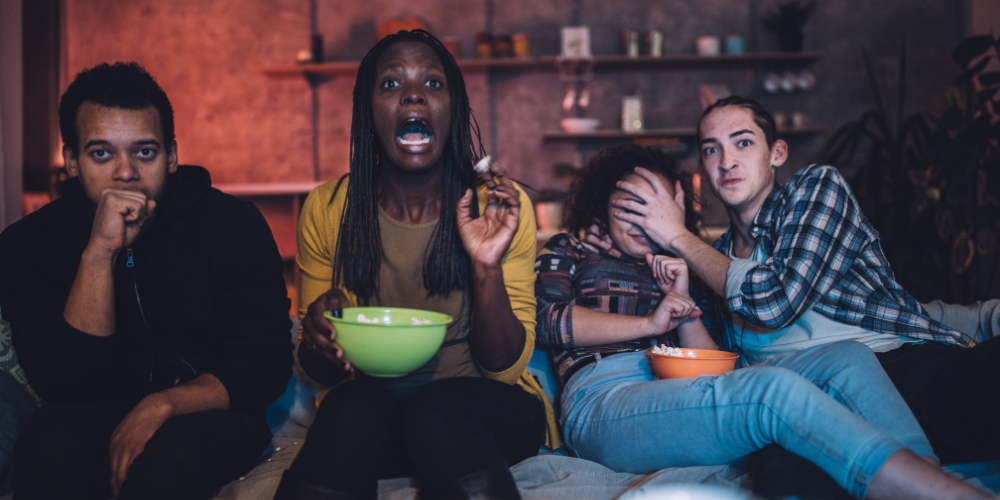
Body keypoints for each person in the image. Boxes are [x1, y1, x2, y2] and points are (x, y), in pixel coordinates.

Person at [537, 143, 994, 500]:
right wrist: (651, 323)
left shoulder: (691, 266)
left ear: (675, 208)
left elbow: (713, 367)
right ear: (603, 206)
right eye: (629, 204)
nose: (643, 218)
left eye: (654, 207)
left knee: (847, 357)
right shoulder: (575, 251)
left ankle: (921, 474)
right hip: (605, 396)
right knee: (772, 389)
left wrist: (682, 302)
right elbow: (547, 321)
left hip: (676, 390)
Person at [275, 30, 556, 500]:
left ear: (454, 109)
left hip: (486, 416)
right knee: (348, 406)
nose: (412, 95)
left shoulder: (497, 208)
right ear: (369, 111)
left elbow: (504, 368)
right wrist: (321, 336)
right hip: (382, 418)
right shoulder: (327, 209)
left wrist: (485, 266)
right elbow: (317, 371)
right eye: (390, 85)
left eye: (432, 83)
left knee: (437, 409)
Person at [0, 62, 293, 499]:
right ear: (71, 161)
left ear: (172, 156)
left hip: (204, 412)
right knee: (46, 457)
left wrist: (160, 405)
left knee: (169, 470)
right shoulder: (28, 242)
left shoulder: (233, 224)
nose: (126, 172)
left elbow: (264, 366)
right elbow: (66, 383)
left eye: (145, 152)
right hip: (85, 412)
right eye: (101, 153)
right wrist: (99, 253)